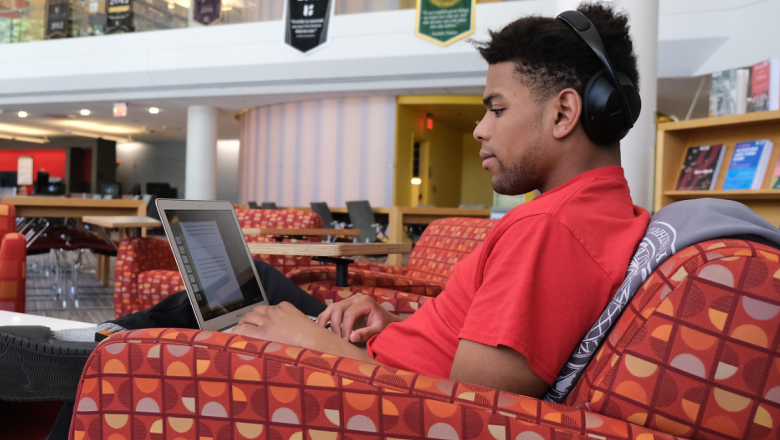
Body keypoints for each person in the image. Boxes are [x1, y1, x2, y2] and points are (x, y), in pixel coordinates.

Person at [1, 2, 649, 436]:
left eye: (496, 109)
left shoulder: (551, 230)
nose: (480, 128)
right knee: (231, 292)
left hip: (348, 389)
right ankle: (70, 348)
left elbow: (469, 416)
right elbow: (470, 359)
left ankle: (68, 357)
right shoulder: (595, 213)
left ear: (566, 113)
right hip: (370, 360)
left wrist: (316, 347)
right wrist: (386, 323)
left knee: (145, 341)